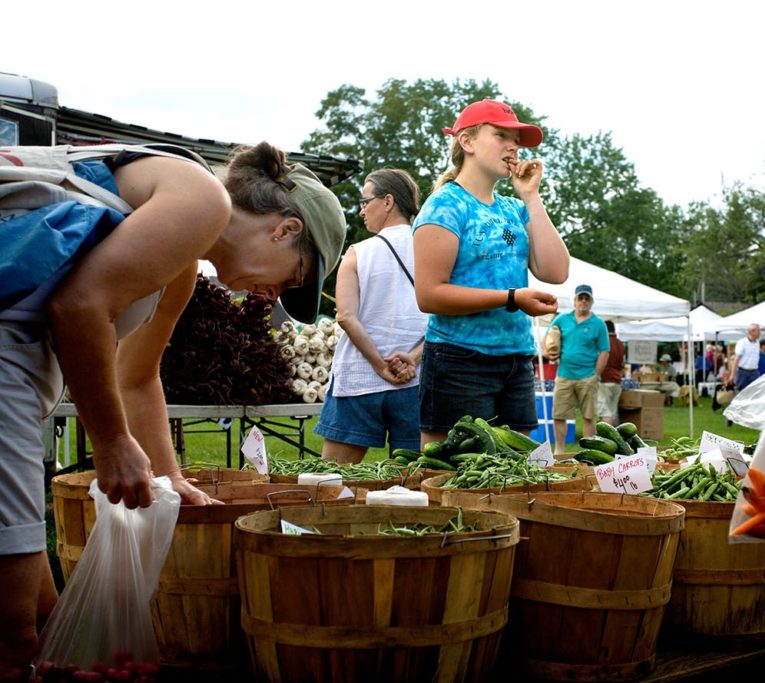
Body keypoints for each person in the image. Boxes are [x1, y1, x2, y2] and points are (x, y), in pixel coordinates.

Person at [0, 141, 347, 679]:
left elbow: (136, 376)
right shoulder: (202, 198)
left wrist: (168, 474)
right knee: (14, 634)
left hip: (16, 378)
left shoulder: (178, 264)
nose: (276, 294)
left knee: (48, 624)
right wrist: (113, 444)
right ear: (285, 229)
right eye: (293, 278)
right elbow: (80, 306)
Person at [413, 99, 570, 447]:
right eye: (501, 135)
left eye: (516, 139)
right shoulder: (445, 205)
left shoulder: (515, 208)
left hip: (515, 357)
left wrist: (531, 196)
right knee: (452, 475)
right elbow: (428, 295)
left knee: (515, 478)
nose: (513, 146)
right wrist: (512, 298)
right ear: (466, 142)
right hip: (458, 359)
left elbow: (557, 271)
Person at [315, 169, 426, 464]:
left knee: (331, 480)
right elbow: (446, 319)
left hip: (359, 379)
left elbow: (345, 317)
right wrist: (413, 359)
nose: (362, 211)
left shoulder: (357, 253)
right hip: (417, 380)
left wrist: (379, 365)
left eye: (365, 202)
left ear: (388, 201)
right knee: (415, 483)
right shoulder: (433, 250)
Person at [546, 284, 610, 453]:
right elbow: (548, 337)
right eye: (580, 298)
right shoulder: (561, 319)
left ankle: (589, 452)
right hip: (564, 375)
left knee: (589, 416)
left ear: (591, 301)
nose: (583, 301)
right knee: (559, 415)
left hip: (587, 376)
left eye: (586, 298)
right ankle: (559, 451)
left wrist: (595, 375)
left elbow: (605, 351)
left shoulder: (598, 324)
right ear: (574, 301)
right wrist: (548, 351)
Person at [597, 320, 627, 425]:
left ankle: (606, 437)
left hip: (604, 378)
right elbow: (622, 363)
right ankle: (616, 436)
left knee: (604, 411)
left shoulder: (604, 342)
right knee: (613, 411)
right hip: (617, 379)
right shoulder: (620, 343)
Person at [726, 323, 762, 391]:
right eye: (758, 331)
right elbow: (736, 359)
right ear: (752, 331)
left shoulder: (757, 342)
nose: (760, 333)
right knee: (741, 392)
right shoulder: (742, 342)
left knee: (754, 392)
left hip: (754, 372)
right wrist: (732, 375)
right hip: (743, 372)